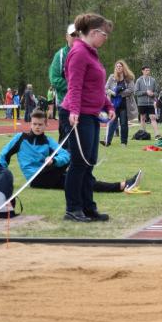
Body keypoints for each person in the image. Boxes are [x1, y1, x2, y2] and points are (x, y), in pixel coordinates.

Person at [0, 110, 140, 193]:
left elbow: (65, 155)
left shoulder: (48, 141)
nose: (37, 127)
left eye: (40, 124)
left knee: (82, 183)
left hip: (51, 174)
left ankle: (122, 185)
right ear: (30, 124)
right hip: (36, 179)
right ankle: (119, 183)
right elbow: (4, 155)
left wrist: (54, 160)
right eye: (34, 124)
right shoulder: (20, 138)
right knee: (75, 156)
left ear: (46, 125)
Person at [60, 12, 116, 222]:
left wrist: (108, 105)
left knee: (89, 162)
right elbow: (74, 86)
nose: (105, 38)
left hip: (91, 113)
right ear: (93, 32)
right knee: (79, 163)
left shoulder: (91, 53)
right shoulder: (78, 53)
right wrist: (74, 111)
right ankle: (73, 208)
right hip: (78, 114)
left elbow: (96, 87)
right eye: (104, 34)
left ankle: (88, 207)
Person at [49, 24, 77, 141]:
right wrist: (75, 87)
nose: (76, 37)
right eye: (73, 35)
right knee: (66, 140)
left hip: (83, 105)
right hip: (65, 105)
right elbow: (54, 79)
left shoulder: (87, 54)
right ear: (67, 36)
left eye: (78, 35)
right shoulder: (60, 56)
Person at [104, 59, 135, 147]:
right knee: (112, 123)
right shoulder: (112, 77)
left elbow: (131, 90)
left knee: (123, 123)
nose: (118, 68)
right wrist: (113, 93)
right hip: (113, 104)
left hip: (124, 104)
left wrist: (120, 93)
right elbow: (105, 88)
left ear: (123, 67)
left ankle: (123, 142)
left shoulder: (129, 78)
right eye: (117, 66)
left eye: (120, 66)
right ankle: (107, 141)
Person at [134, 65, 160, 139]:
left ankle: (157, 134)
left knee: (153, 117)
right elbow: (136, 92)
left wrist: (153, 94)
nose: (148, 72)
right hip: (141, 103)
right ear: (142, 71)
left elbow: (156, 92)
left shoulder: (153, 80)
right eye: (146, 70)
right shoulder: (139, 80)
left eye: (149, 70)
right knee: (142, 118)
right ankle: (143, 134)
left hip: (150, 103)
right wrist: (146, 92)